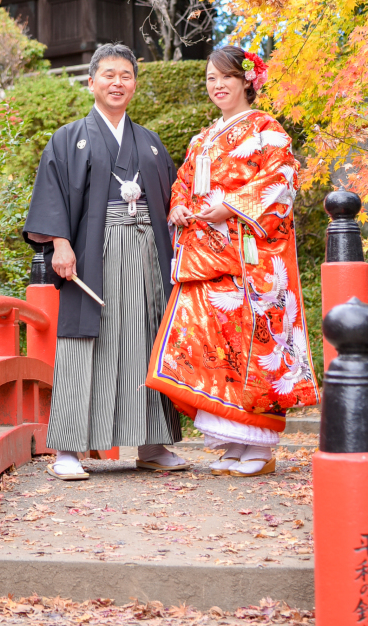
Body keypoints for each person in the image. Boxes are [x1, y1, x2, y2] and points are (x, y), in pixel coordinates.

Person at [146, 45, 319, 476]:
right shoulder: (201, 139)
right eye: (210, 78)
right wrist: (180, 209)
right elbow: (183, 184)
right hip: (205, 254)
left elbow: (282, 179)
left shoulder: (267, 130)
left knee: (253, 342)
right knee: (212, 342)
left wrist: (232, 208)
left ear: (247, 81)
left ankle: (259, 445)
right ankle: (234, 441)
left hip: (252, 256)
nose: (217, 85)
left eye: (225, 77)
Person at [23, 42, 186, 480]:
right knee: (83, 344)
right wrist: (60, 244)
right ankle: (70, 450)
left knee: (146, 338)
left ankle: (152, 443)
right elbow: (53, 197)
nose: (118, 83)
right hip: (92, 253)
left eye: (126, 76)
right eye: (109, 75)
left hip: (148, 254)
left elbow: (174, 203)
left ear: (135, 84)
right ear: (91, 81)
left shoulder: (150, 144)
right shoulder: (68, 139)